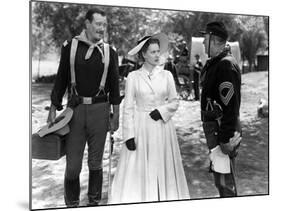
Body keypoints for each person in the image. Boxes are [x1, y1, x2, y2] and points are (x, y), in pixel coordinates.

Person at [47, 8, 120, 207]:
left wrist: (116, 116)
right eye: (98, 24)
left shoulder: (110, 51)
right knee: (73, 166)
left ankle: (93, 203)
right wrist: (54, 107)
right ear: (87, 24)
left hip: (100, 111)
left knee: (96, 163)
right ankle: (72, 204)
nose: (101, 29)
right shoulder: (70, 46)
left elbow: (114, 85)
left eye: (104, 25)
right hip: (75, 112)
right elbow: (61, 77)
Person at [109, 33, 190, 204]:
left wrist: (162, 111)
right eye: (152, 52)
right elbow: (128, 108)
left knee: (162, 164)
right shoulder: (133, 77)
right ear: (143, 54)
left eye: (157, 52)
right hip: (140, 127)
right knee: (138, 167)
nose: (156, 55)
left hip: (162, 126)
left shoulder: (166, 75)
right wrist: (128, 135)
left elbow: (175, 102)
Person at [199, 21, 242, 197]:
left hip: (221, 131)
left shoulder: (225, 65)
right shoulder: (216, 62)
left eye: (205, 38)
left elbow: (231, 107)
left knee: (225, 184)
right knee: (220, 180)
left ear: (215, 40)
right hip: (215, 130)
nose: (202, 43)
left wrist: (225, 139)